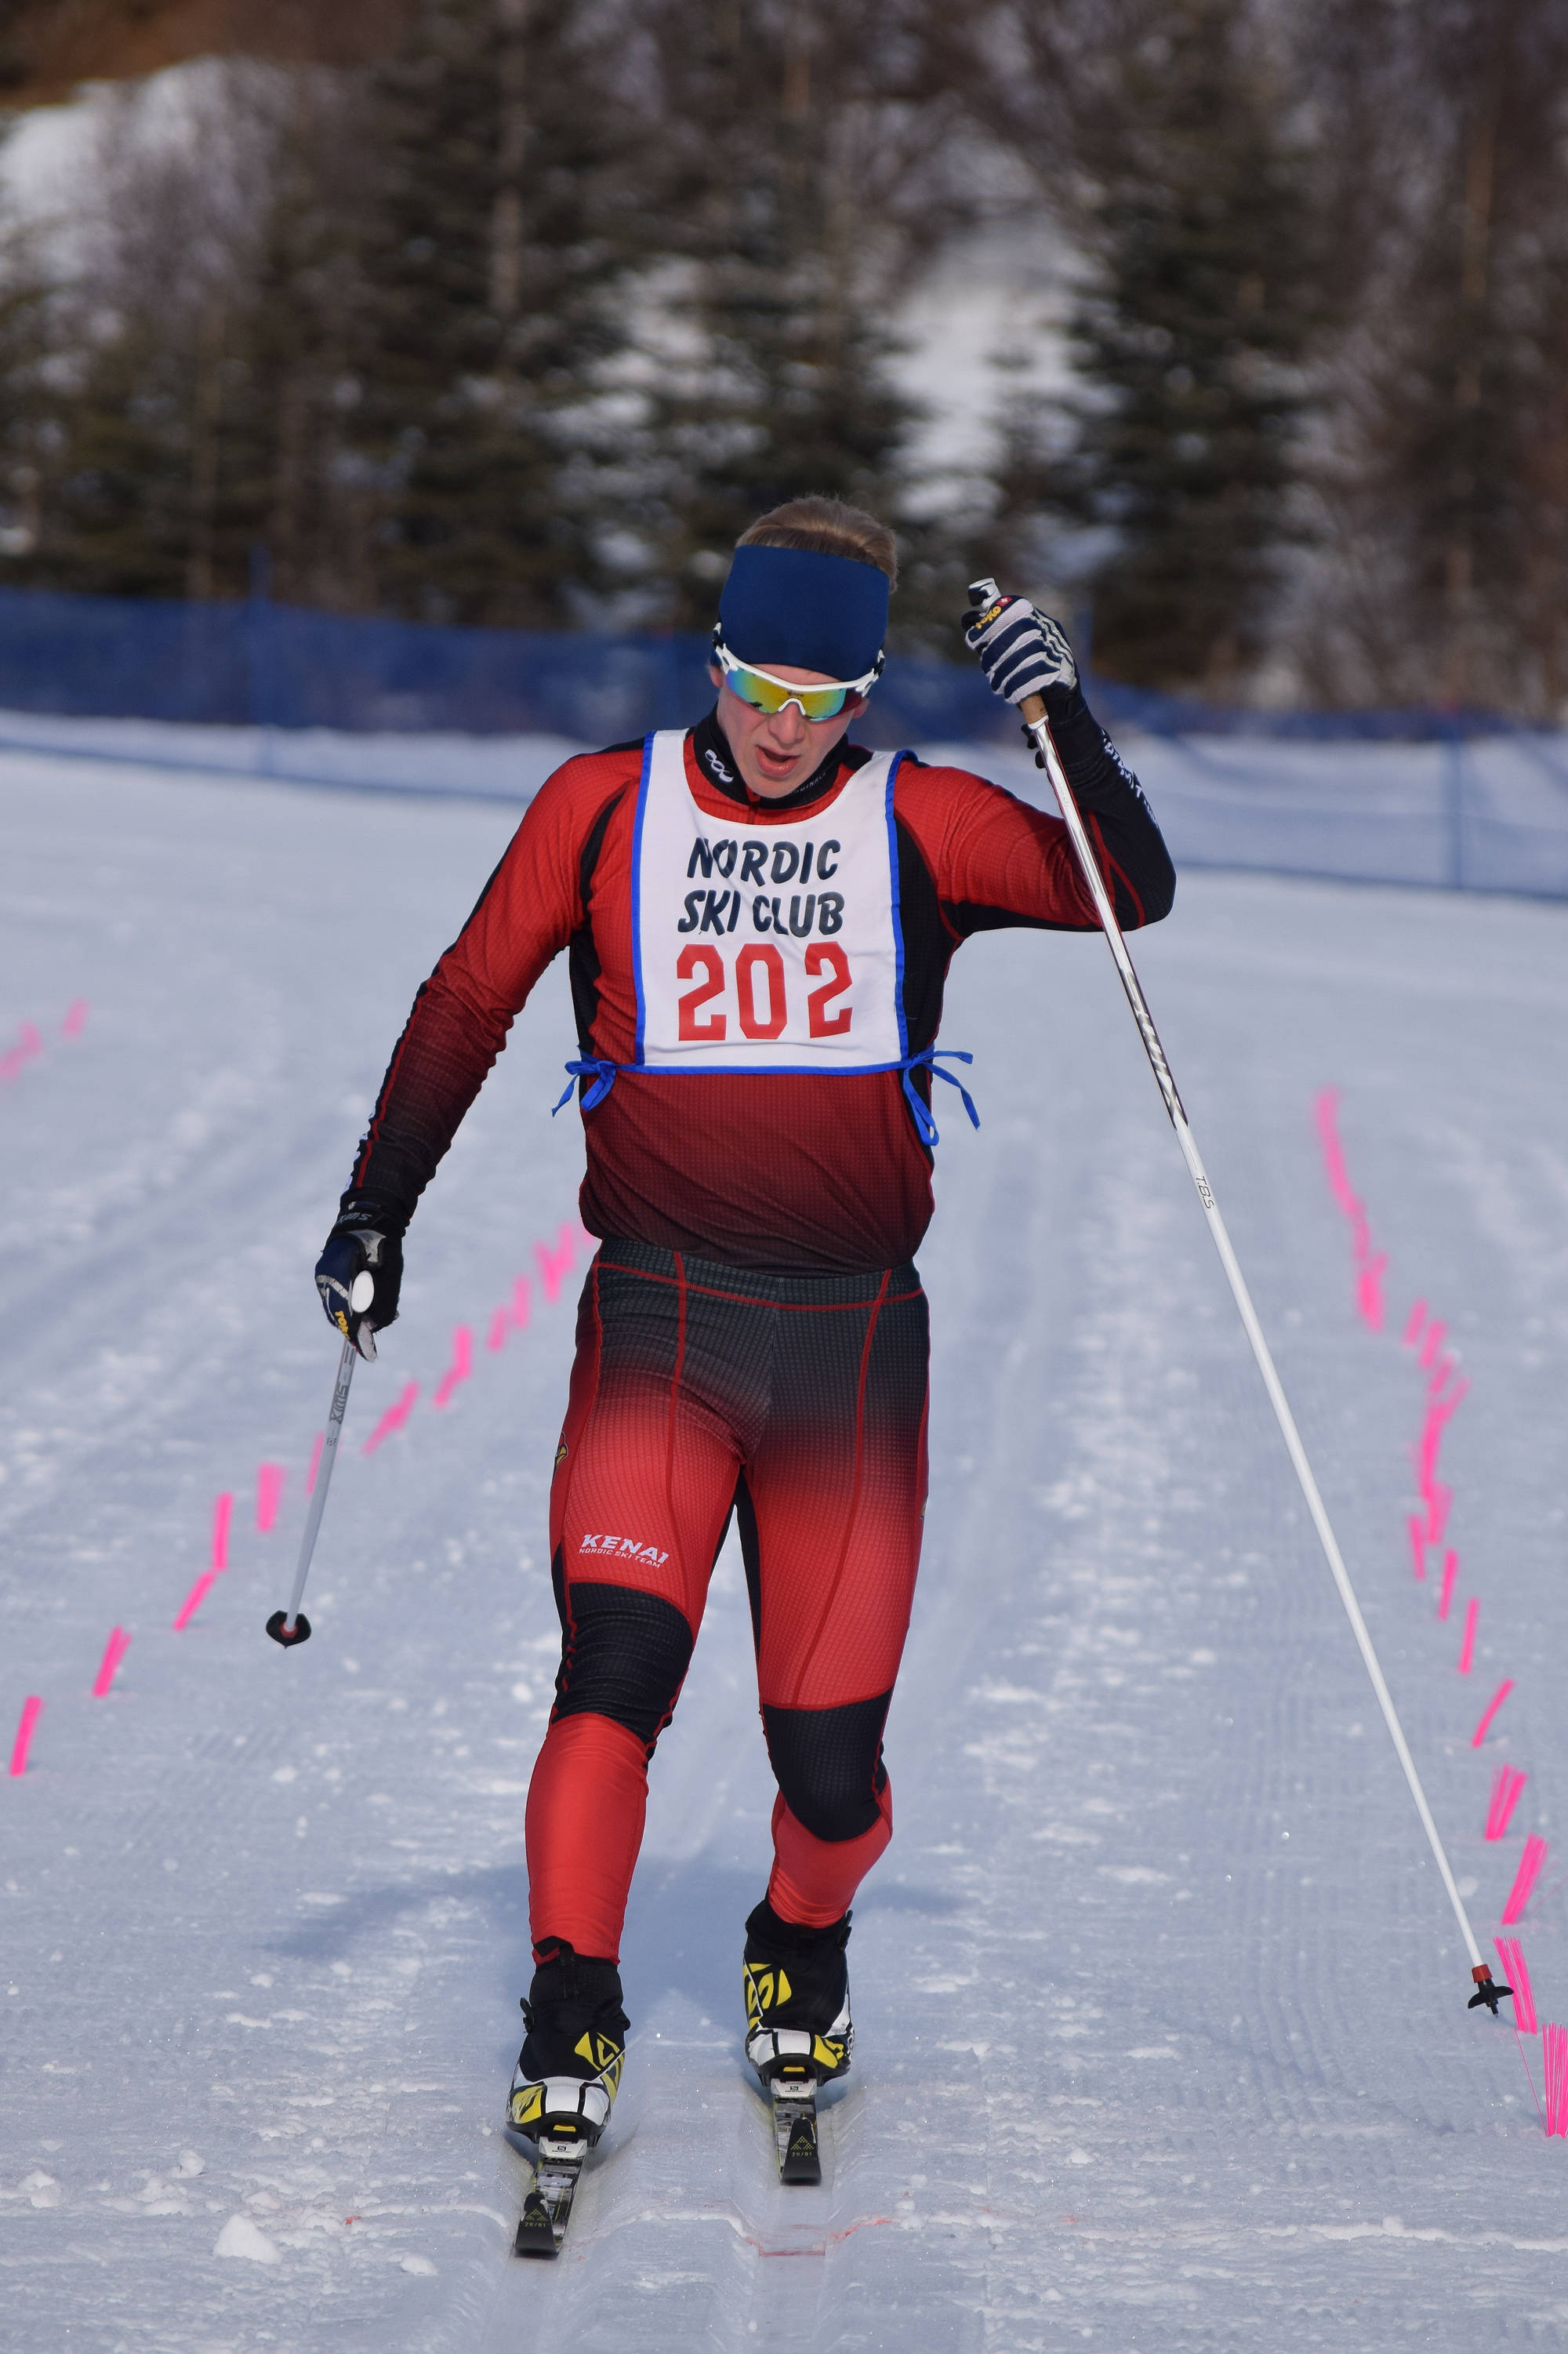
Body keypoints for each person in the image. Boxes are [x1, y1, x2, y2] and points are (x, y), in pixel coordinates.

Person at [314, 496, 1175, 2158]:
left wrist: (1051, 704)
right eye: (755, 685)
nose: (781, 729)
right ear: (711, 662)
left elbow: (1124, 889)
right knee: (612, 1672)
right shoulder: (599, 807)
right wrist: (376, 1211)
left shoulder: (914, 822)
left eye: (821, 698)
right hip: (662, 1317)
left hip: (850, 1348)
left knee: (833, 1771)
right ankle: (571, 2014)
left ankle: (800, 1942)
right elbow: (466, 1000)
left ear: (862, 699)